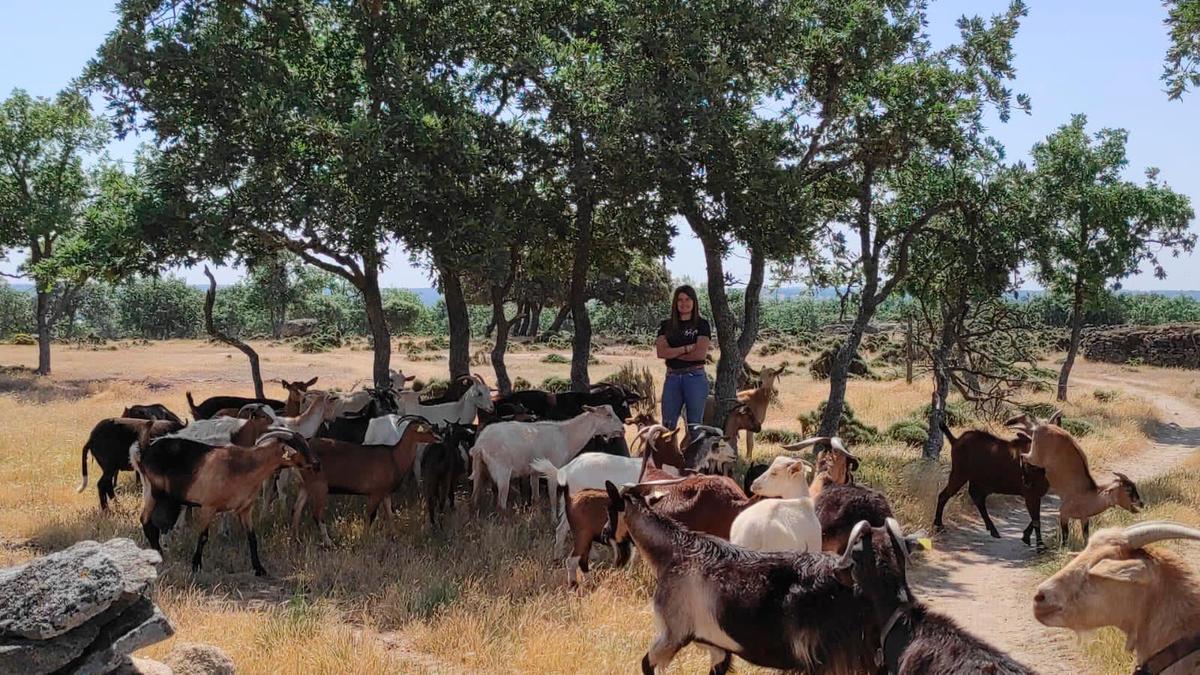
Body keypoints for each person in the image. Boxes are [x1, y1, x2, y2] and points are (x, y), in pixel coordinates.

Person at [656, 284, 711, 432]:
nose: (684, 303)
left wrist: (673, 352)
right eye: (680, 299)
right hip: (672, 378)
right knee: (667, 426)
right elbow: (661, 352)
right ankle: (668, 455)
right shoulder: (666, 325)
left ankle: (693, 455)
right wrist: (686, 348)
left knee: (694, 427)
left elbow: (699, 354)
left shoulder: (702, 324)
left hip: (695, 378)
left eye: (688, 299)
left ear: (694, 302)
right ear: (675, 302)